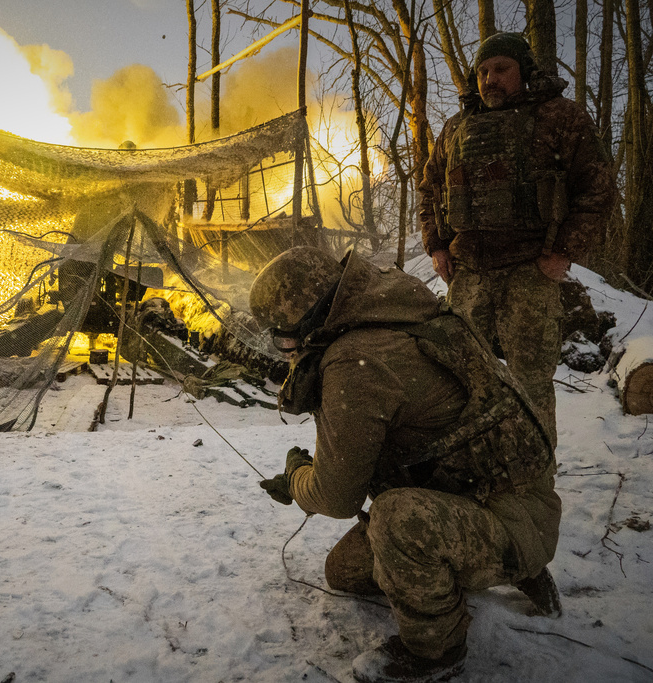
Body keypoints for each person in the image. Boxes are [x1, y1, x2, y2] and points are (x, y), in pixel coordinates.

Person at [251, 246, 562, 683]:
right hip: (488, 494)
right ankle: (492, 561)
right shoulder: (391, 311)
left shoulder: (356, 358)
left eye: (284, 338)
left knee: (395, 520)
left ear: (308, 321)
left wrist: (296, 479)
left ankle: (436, 651)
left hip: (511, 513)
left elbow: (337, 498)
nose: (287, 351)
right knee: (343, 572)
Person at [419, 32, 614, 443]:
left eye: (501, 69)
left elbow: (597, 188)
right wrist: (436, 246)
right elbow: (429, 187)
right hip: (468, 273)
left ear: (524, 71)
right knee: (458, 380)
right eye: (483, 71)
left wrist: (563, 251)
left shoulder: (560, 117)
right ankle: (473, 475)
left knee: (531, 386)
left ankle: (534, 487)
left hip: (530, 271)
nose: (490, 79)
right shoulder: (456, 128)